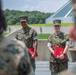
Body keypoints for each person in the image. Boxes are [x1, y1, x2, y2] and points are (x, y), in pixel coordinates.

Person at [0, 0, 34, 75]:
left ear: (27, 22)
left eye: (24, 22)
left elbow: (35, 42)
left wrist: (33, 52)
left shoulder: (32, 31)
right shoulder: (18, 48)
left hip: (30, 54)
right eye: (22, 22)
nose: (23, 23)